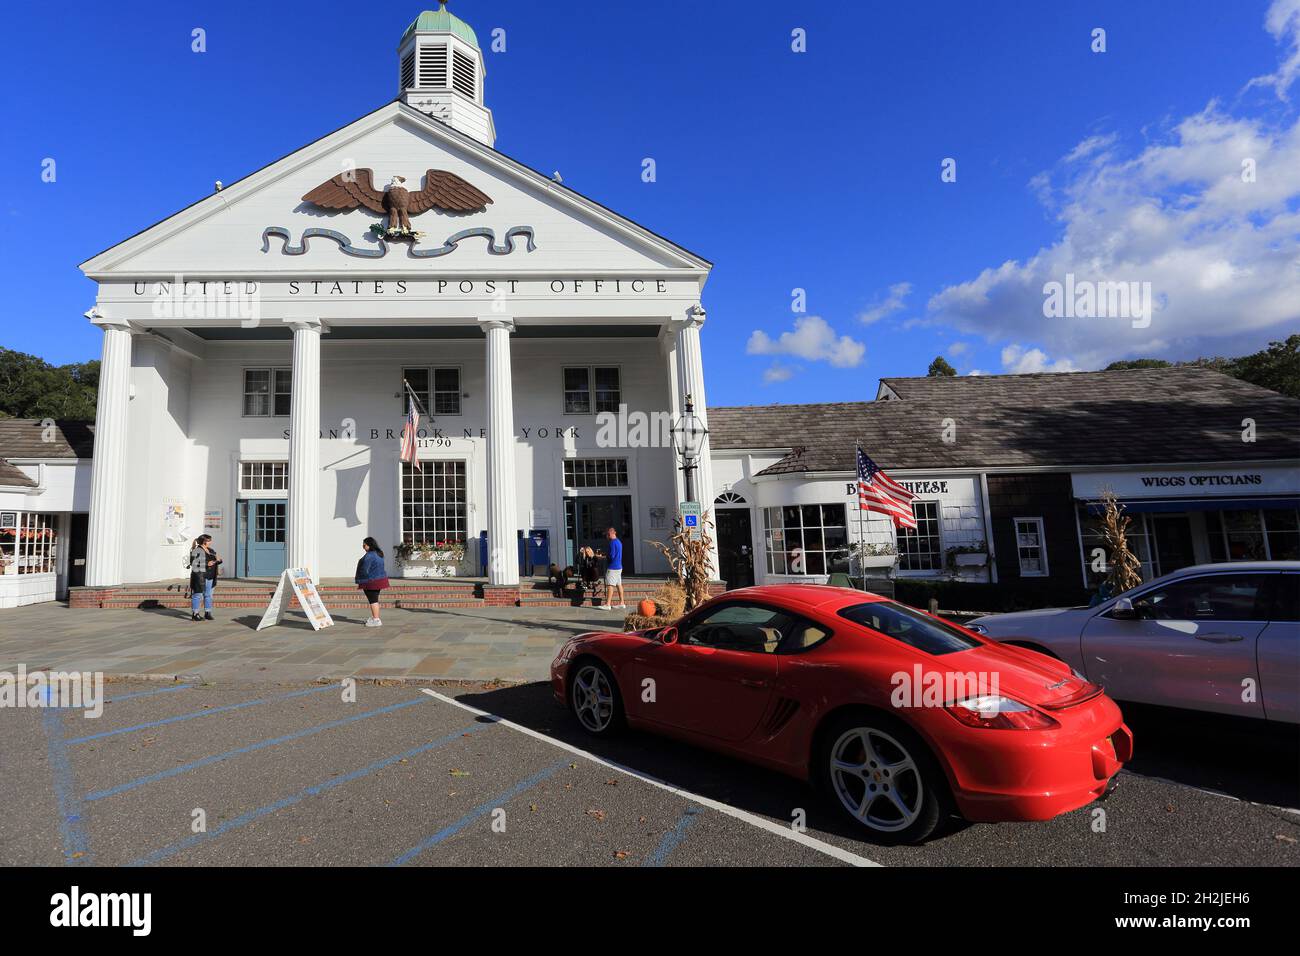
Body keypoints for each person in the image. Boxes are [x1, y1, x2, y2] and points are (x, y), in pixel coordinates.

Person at [355, 537, 390, 627]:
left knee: (373, 601)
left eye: (364, 544)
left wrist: (360, 579)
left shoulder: (369, 555)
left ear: (369, 545)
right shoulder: (379, 554)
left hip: (371, 581)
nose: (363, 546)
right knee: (374, 600)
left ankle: (376, 619)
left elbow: (364, 569)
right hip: (379, 580)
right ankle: (375, 617)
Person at [187, 534, 221, 622]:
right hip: (200, 575)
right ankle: (195, 614)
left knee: (208, 595)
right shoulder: (197, 550)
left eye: (210, 540)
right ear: (204, 541)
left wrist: (218, 560)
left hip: (210, 575)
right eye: (209, 540)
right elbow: (193, 563)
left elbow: (217, 560)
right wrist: (207, 564)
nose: (210, 542)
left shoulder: (211, 550)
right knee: (197, 594)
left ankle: (207, 613)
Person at [604, 527, 626, 610]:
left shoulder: (612, 543)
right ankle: (622, 603)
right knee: (618, 584)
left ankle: (608, 604)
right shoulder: (619, 542)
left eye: (607, 535)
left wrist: (604, 557)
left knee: (610, 585)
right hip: (619, 566)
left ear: (609, 534)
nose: (606, 537)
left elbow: (612, 555)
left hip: (612, 567)